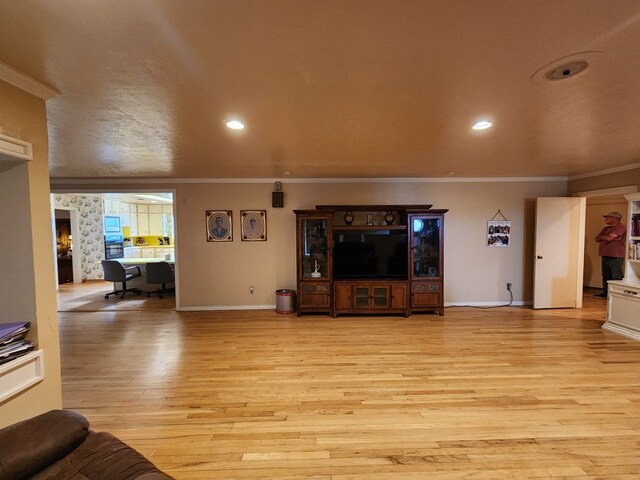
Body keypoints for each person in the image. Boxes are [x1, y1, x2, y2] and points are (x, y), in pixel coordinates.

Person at [594, 211, 626, 298]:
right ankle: (606, 293)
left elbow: (609, 238)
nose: (605, 219)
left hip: (615, 256)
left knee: (616, 276)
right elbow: (597, 238)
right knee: (606, 276)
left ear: (616, 218)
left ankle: (617, 295)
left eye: (608, 217)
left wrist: (604, 237)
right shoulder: (606, 229)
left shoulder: (621, 227)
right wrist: (605, 237)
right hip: (605, 255)